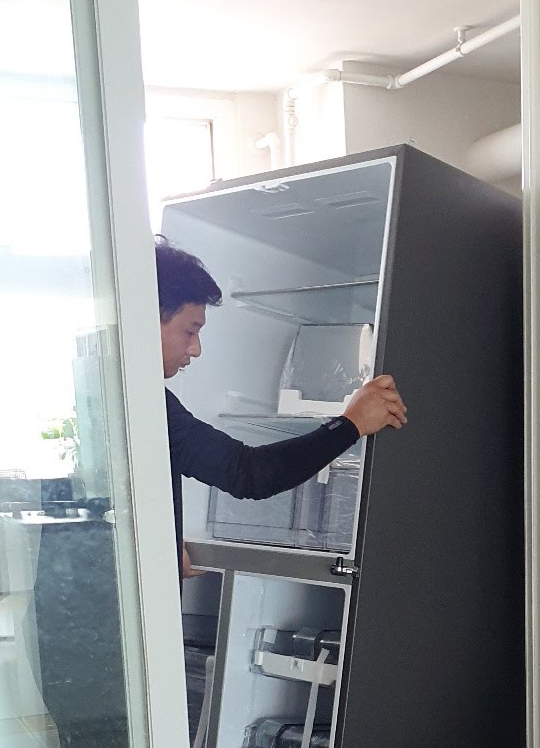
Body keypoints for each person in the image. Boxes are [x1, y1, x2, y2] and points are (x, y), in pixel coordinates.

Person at [155, 237, 407, 576]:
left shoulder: (121, 399)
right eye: (190, 331)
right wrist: (351, 424)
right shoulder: (155, 411)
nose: (196, 349)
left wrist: (158, 544)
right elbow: (250, 473)